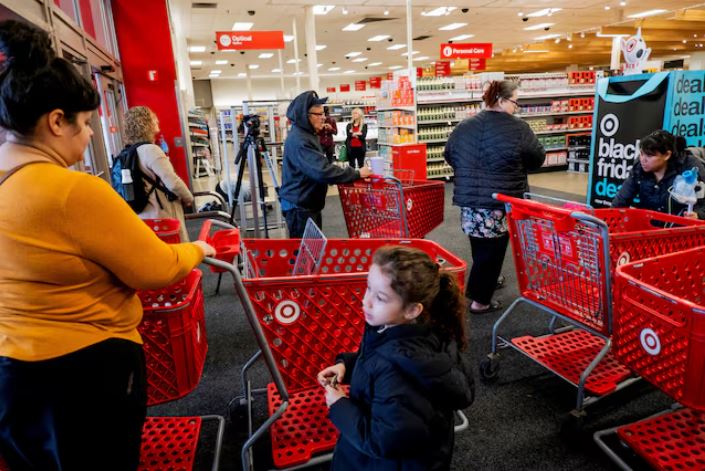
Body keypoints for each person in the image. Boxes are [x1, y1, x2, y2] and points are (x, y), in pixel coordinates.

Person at [0, 20, 215, 470]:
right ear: (56, 121)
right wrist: (199, 250)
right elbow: (155, 269)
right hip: (85, 369)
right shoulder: (71, 191)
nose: (93, 134)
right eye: (86, 123)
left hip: (13, 369)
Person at [317, 246, 474, 470]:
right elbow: (375, 360)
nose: (366, 302)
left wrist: (339, 406)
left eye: (380, 297)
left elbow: (384, 441)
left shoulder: (400, 372)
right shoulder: (400, 329)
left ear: (412, 310)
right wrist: (346, 366)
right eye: (368, 288)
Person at [444, 80, 545, 314]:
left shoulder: (465, 125)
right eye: (515, 102)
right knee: (494, 249)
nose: (516, 108)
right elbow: (537, 158)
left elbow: (449, 153)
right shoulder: (518, 128)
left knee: (480, 245)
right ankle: (480, 301)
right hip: (499, 199)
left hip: (470, 199)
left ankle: (488, 281)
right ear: (501, 100)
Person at [279, 91, 371, 238]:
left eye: (323, 113)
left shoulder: (307, 134)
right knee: (305, 255)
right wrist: (357, 173)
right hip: (300, 206)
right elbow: (322, 171)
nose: (324, 118)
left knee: (312, 250)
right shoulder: (301, 140)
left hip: (305, 202)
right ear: (305, 115)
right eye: (319, 114)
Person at [124, 106, 194, 241]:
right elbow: (173, 182)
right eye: (153, 119)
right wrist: (188, 198)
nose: (157, 121)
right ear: (146, 124)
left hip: (144, 214)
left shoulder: (129, 152)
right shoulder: (151, 150)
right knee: (177, 250)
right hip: (162, 214)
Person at [612, 129, 705, 219]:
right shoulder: (639, 168)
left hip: (680, 230)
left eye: (649, 156)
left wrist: (698, 215)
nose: (643, 160)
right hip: (649, 228)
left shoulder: (690, 166)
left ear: (667, 155)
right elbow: (621, 201)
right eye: (641, 154)